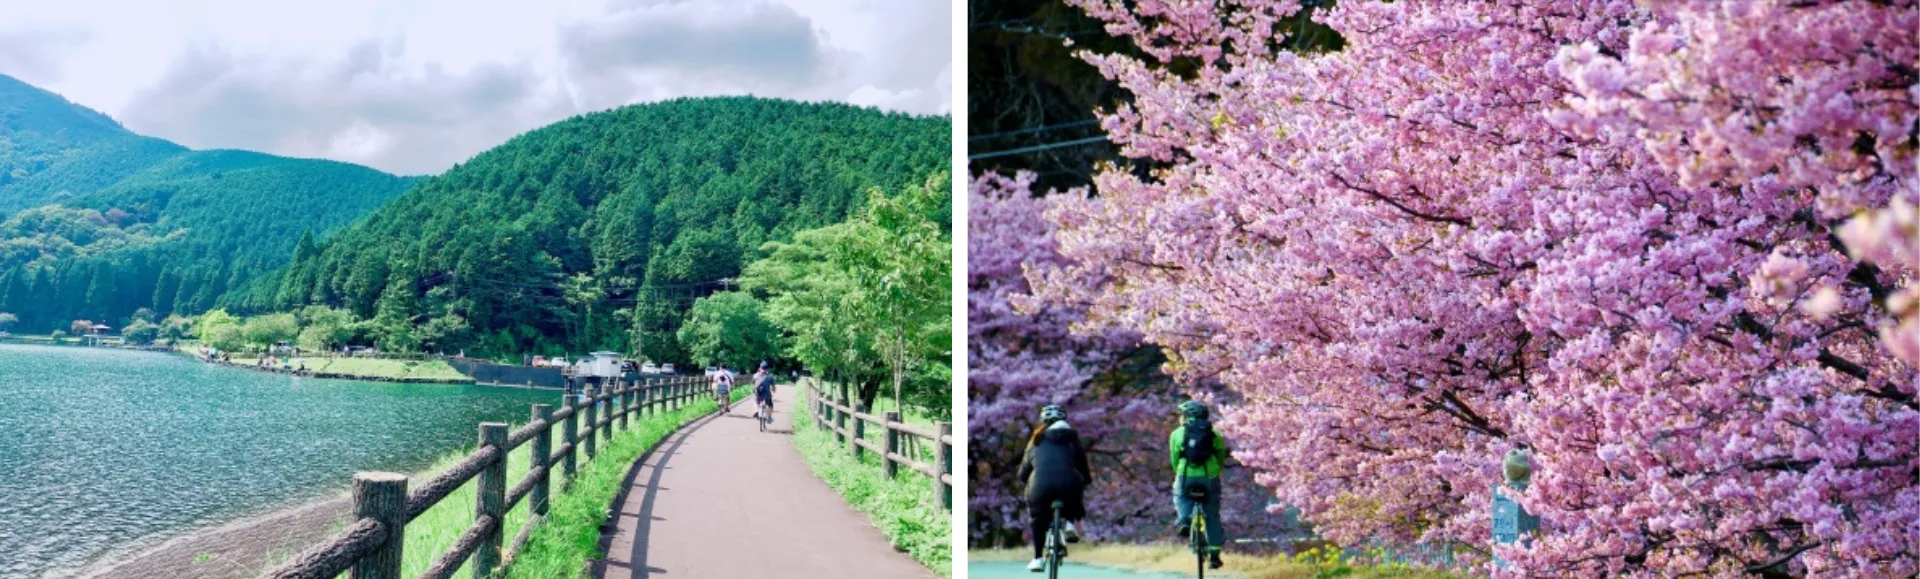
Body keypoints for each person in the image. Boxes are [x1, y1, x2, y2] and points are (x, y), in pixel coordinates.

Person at [1017, 404, 1091, 572]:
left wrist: (1024, 479)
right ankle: (1070, 523)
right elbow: (1082, 466)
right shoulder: (1072, 439)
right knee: (1075, 484)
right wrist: (1087, 480)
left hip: (1040, 488)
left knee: (1037, 519)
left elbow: (1023, 472)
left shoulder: (1035, 441)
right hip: (1068, 486)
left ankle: (1037, 559)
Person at [1170, 400, 1228, 570]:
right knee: (1212, 515)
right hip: (1209, 477)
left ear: (1187, 416)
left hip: (1186, 475)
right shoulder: (1214, 433)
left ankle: (1184, 520)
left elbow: (1174, 459)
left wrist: (1179, 471)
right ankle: (1215, 554)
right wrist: (1215, 471)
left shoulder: (1177, 434)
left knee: (1180, 496)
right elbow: (1220, 456)